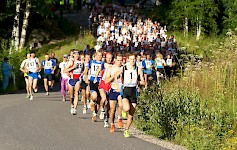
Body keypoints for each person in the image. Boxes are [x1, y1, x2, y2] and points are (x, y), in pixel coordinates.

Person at [120, 53, 145, 137]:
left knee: (131, 115)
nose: (132, 61)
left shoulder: (138, 69)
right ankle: (123, 109)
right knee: (127, 108)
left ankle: (126, 130)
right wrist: (117, 85)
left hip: (133, 92)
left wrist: (138, 82)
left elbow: (143, 81)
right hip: (126, 91)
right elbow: (116, 76)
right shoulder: (123, 68)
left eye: (134, 59)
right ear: (127, 59)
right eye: (131, 59)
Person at [105, 54, 124, 132]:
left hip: (122, 89)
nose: (120, 62)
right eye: (118, 60)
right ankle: (112, 124)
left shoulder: (124, 68)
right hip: (113, 89)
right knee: (112, 110)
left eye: (121, 60)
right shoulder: (110, 68)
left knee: (121, 105)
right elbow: (106, 81)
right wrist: (114, 75)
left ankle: (119, 118)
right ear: (115, 60)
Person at [85, 51, 104, 122]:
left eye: (101, 55)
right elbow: (87, 69)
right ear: (95, 56)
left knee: (99, 100)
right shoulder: (91, 62)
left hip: (100, 82)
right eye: (98, 55)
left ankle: (95, 114)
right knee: (94, 96)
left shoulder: (103, 63)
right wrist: (86, 76)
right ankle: (91, 102)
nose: (99, 57)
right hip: (93, 81)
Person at [64, 51, 84, 115]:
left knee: (76, 93)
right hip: (71, 79)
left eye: (78, 54)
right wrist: (72, 67)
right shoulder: (71, 62)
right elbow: (64, 70)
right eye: (76, 55)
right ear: (73, 55)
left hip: (78, 79)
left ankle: (75, 109)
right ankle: (72, 104)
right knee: (71, 96)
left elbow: (83, 70)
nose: (77, 56)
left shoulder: (81, 62)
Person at [98, 52, 113, 127]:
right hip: (103, 84)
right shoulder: (103, 64)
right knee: (103, 98)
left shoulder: (113, 66)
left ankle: (106, 120)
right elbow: (98, 71)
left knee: (108, 105)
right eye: (108, 58)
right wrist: (95, 78)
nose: (109, 59)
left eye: (110, 58)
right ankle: (101, 109)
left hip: (110, 85)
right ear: (105, 58)